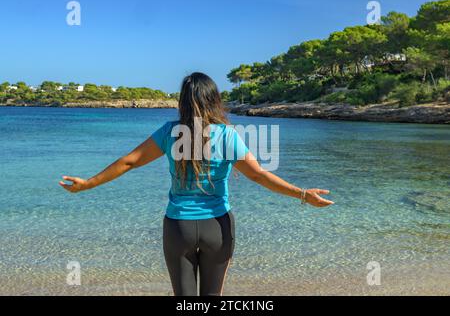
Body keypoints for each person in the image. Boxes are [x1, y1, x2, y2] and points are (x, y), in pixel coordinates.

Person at [59, 72, 334, 296]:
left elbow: (129, 162)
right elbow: (259, 175)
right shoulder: (228, 135)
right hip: (218, 225)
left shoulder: (170, 132)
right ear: (215, 100)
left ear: (183, 102)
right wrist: (301, 194)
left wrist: (88, 184)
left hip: (178, 227)